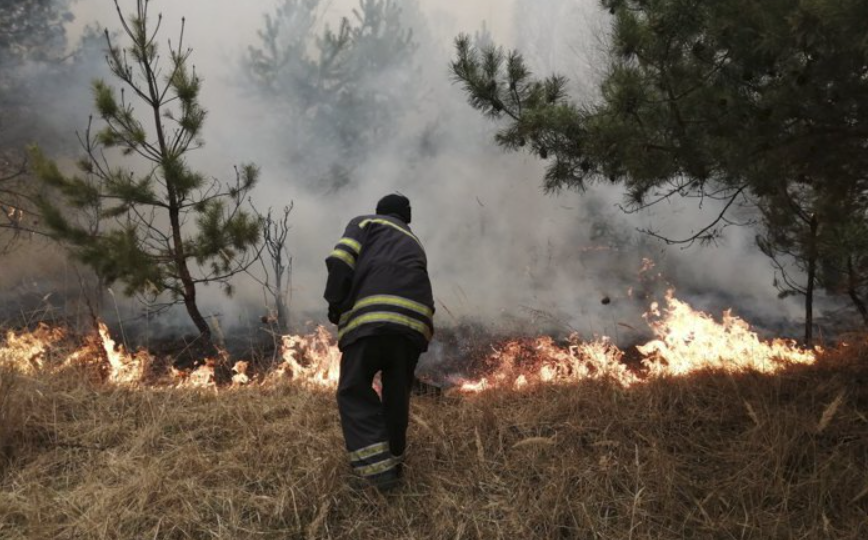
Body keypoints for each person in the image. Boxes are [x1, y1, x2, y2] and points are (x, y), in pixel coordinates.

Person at [324, 194, 434, 490]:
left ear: (379, 211)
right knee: (396, 395)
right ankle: (395, 459)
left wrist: (335, 303)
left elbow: (341, 260)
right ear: (407, 217)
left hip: (372, 320)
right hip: (413, 327)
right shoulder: (414, 241)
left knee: (353, 389)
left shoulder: (366, 223)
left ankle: (377, 474)